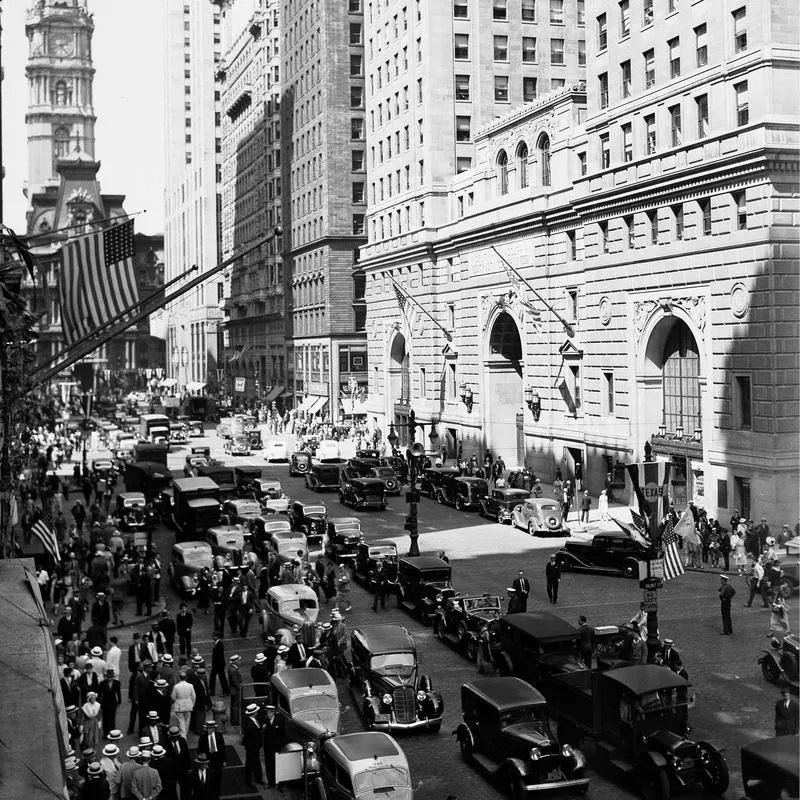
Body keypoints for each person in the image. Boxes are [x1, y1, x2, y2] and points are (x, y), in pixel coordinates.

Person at [196, 719, 226, 793]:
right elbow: (200, 750)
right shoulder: (203, 737)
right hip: (208, 759)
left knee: (218, 776)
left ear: (213, 728)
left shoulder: (219, 736)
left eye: (211, 728)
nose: (209, 729)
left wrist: (224, 760)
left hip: (217, 758)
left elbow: (223, 748)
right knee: (209, 777)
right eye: (208, 728)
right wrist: (202, 761)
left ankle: (217, 792)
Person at [242, 703, 265, 788]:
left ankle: (258, 779)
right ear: (253, 713)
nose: (257, 713)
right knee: (250, 763)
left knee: (256, 762)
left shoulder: (254, 720)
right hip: (251, 746)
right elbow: (252, 732)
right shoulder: (249, 723)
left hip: (256, 745)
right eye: (256, 712)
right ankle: (248, 781)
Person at [262, 703, 284, 789]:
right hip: (268, 748)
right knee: (269, 765)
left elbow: (282, 734)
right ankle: (271, 782)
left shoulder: (280, 721)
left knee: (278, 765)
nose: (268, 715)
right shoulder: (265, 721)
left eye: (270, 713)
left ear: (273, 713)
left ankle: (280, 783)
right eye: (267, 713)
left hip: (277, 747)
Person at [170, 671, 196, 739]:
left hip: (179, 705)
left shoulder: (176, 686)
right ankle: (185, 735)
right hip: (188, 704)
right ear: (186, 678)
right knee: (187, 721)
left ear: (180, 678)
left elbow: (173, 697)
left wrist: (174, 702)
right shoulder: (190, 686)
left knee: (181, 721)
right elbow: (194, 696)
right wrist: (192, 704)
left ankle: (183, 736)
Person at [98, 669, 121, 734]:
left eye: (111, 677)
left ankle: (112, 732)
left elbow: (118, 693)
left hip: (113, 702)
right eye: (108, 677)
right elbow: (99, 694)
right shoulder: (102, 683)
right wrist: (99, 704)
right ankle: (105, 733)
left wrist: (119, 702)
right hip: (104, 703)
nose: (109, 678)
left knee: (112, 718)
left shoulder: (117, 683)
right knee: (105, 718)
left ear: (113, 676)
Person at [226, 654, 243, 726]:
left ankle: (233, 720)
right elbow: (235, 681)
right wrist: (239, 688)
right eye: (239, 660)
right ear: (235, 662)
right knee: (235, 706)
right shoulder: (233, 670)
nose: (240, 661)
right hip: (235, 690)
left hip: (233, 689)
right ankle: (235, 720)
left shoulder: (232, 668)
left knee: (234, 705)